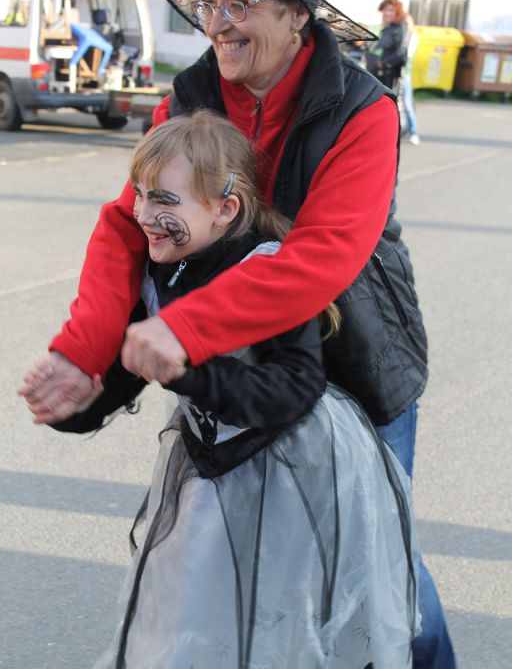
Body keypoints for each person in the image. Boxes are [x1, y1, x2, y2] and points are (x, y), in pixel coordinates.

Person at [19, 0, 456, 666]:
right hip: (238, 364)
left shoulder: (365, 110)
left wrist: (182, 331)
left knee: (383, 569)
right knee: (251, 574)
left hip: (357, 357)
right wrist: (84, 355)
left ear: (296, 16)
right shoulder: (189, 97)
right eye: (209, 3)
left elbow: (320, 258)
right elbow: (130, 224)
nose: (217, 23)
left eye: (240, 5)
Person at [39, 110, 417, 668]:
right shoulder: (158, 267)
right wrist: (75, 404)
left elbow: (294, 390)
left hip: (299, 473)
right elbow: (130, 367)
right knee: (188, 618)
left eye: (164, 201)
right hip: (210, 470)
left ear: (225, 209)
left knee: (283, 626)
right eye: (139, 195)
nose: (143, 215)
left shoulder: (266, 270)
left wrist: (187, 373)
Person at [366, 0, 408, 92]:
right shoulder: (388, 28)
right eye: (385, 10)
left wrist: (383, 63)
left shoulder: (399, 27)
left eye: (391, 10)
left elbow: (401, 52)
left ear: (397, 12)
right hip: (383, 74)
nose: (387, 13)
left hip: (391, 75)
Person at [401, 15, 421, 145]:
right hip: (396, 74)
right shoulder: (397, 35)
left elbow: (407, 55)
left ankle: (413, 132)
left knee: (407, 104)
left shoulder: (412, 37)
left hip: (405, 75)